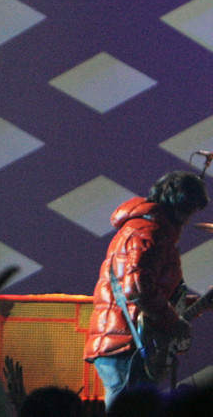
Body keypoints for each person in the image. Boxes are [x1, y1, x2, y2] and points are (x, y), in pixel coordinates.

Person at [83, 171, 209, 409]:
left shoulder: (146, 228)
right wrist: (172, 321)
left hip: (125, 340)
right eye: (191, 209)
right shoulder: (151, 232)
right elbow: (137, 288)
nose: (190, 217)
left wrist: (196, 304)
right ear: (180, 204)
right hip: (126, 343)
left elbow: (150, 291)